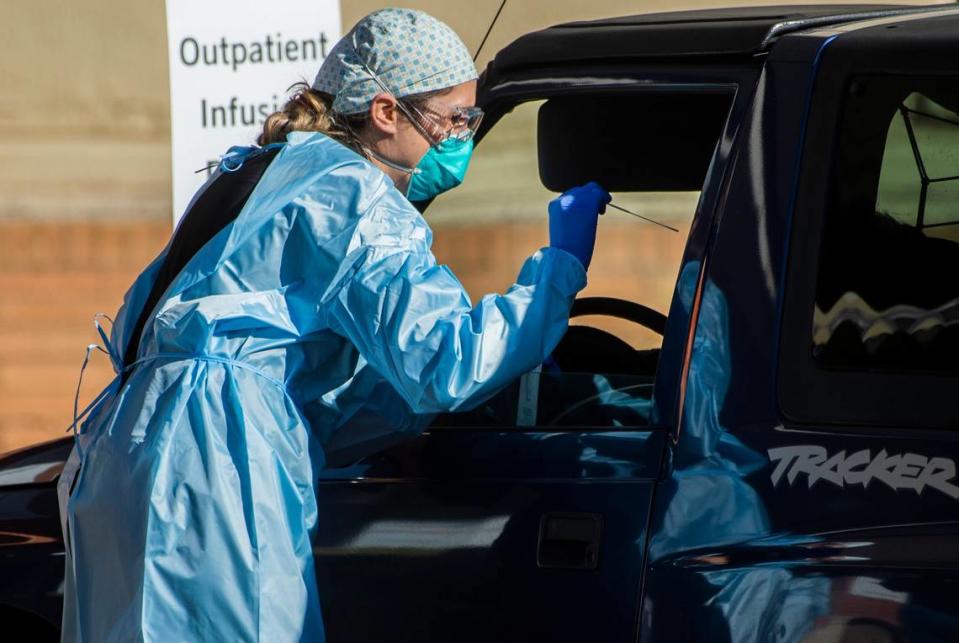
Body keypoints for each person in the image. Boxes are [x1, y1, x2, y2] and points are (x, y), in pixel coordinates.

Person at [56, 8, 610, 642]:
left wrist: (410, 408)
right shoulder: (353, 197)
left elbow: (325, 388)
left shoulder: (259, 171)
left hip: (124, 448)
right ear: (385, 113)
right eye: (454, 119)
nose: (462, 137)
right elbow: (447, 363)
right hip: (219, 461)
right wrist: (559, 269)